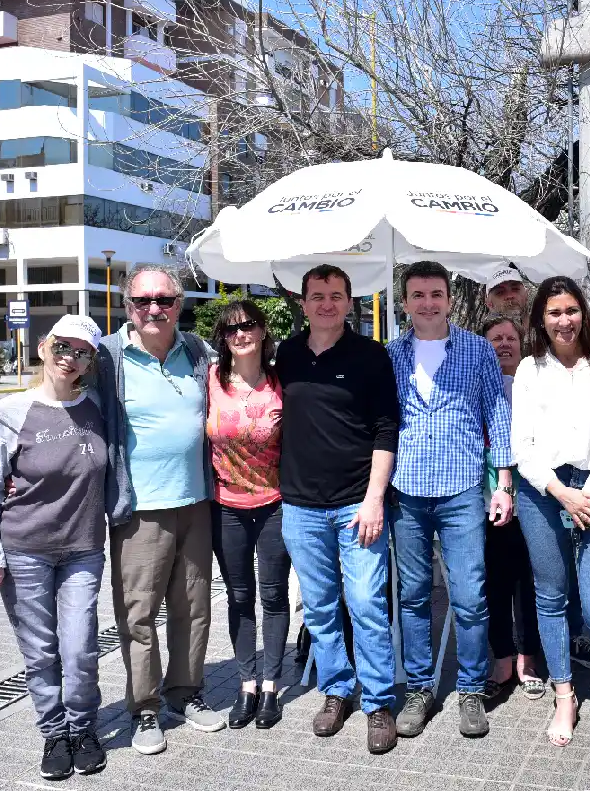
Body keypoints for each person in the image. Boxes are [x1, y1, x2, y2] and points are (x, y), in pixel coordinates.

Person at [96, 264, 226, 756]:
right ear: (128, 305)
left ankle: (186, 693)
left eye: (165, 299)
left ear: (179, 304)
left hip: (194, 501)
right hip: (139, 510)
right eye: (144, 300)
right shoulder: (109, 358)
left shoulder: (196, 351)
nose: (155, 308)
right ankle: (144, 708)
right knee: (138, 614)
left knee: (193, 609)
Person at [0, 316, 108, 781]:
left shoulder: (95, 408)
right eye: (62, 346)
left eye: (82, 351)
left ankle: (83, 729)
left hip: (84, 548)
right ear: (44, 347)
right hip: (26, 549)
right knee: (40, 650)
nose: (69, 357)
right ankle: (54, 734)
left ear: (91, 362)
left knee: (79, 648)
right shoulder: (12, 411)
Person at [275, 264, 400, 754]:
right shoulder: (285, 354)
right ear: (303, 303)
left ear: (350, 302)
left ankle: (379, 703)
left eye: (336, 295)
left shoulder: (371, 356)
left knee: (367, 605)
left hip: (356, 506)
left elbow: (386, 429)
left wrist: (373, 500)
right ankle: (336, 691)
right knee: (321, 608)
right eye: (317, 295)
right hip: (301, 508)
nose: (327, 303)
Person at [511, 276, 590, 765]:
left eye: (572, 310)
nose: (564, 320)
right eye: (554, 312)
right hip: (545, 492)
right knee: (551, 597)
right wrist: (561, 493)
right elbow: (524, 446)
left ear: (585, 313)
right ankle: (565, 696)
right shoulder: (528, 370)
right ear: (541, 318)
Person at [389, 261, 514, 739]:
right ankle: (420, 688)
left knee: (468, 596)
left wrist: (502, 484)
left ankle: (471, 690)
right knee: (414, 595)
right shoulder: (391, 354)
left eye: (436, 293)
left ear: (448, 298)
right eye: (418, 295)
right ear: (405, 302)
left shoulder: (478, 349)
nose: (428, 303)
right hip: (408, 491)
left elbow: (497, 417)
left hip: (462, 490)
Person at [207, 300, 289, 729]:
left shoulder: (281, 381)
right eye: (231, 329)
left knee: (273, 595)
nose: (240, 335)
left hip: (275, 504)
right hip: (226, 507)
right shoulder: (210, 381)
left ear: (262, 332)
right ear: (223, 337)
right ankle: (246, 685)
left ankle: (272, 686)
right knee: (239, 597)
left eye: (248, 326)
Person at [479, 314, 544, 700]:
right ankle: (501, 658)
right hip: (484, 504)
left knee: (530, 586)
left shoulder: (532, 386)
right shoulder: (475, 384)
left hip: (533, 500)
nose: (504, 344)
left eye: (510, 338)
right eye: (495, 339)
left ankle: (527, 658)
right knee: (495, 585)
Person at [485, 264, 529, 331]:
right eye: (500, 292)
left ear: (526, 294)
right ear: (489, 303)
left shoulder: (546, 334)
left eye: (515, 289)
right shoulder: (480, 340)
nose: (509, 296)